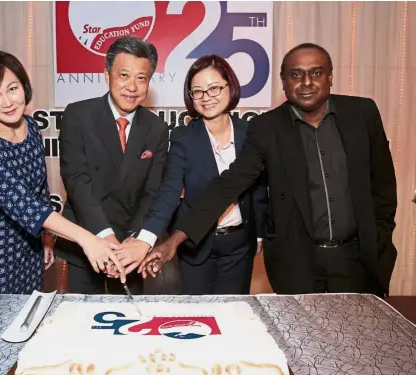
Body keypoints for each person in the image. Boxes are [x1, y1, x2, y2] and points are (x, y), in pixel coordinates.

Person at [139, 43, 398, 297]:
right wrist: (173, 241)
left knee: (357, 335)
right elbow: (228, 185)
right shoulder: (267, 127)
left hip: (357, 259)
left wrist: (380, 237)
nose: (306, 82)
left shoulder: (363, 113)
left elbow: (383, 185)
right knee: (298, 337)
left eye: (316, 72)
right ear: (283, 82)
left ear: (330, 77)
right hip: (300, 266)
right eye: (296, 75)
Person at [0, 49, 125, 294]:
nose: (7, 102)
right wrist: (88, 239)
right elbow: (24, 205)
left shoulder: (31, 126)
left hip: (29, 249)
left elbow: (39, 190)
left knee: (28, 322)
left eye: (12, 89)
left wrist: (48, 238)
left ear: (24, 86)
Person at [121, 55, 268, 294]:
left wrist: (260, 233)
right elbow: (169, 191)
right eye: (197, 91)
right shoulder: (183, 137)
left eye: (214, 88)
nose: (206, 97)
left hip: (240, 245)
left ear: (229, 87)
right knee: (199, 317)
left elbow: (259, 188)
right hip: (195, 245)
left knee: (236, 316)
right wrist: (148, 239)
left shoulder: (251, 133)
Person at [56, 37, 169, 294]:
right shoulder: (78, 115)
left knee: (128, 322)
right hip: (87, 238)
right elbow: (77, 181)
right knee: (82, 321)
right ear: (107, 75)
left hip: (130, 247)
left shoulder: (157, 128)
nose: (132, 86)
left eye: (141, 78)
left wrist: (136, 241)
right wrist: (104, 236)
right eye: (124, 75)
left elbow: (153, 192)